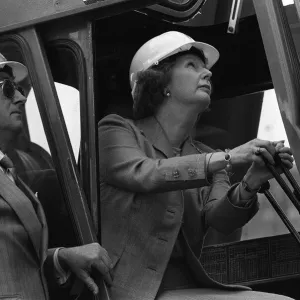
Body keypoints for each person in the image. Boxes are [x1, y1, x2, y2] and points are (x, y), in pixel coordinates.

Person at [98, 31, 295, 300]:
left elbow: (221, 219)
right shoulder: (115, 130)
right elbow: (144, 174)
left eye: (205, 68)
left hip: (184, 286)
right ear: (160, 80)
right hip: (126, 290)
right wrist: (228, 158)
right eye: (192, 65)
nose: (208, 74)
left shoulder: (208, 155)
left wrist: (252, 180)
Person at [0, 53, 112, 299]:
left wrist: (62, 257)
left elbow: (14, 259)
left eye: (18, 88)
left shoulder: (8, 169)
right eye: (8, 89)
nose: (20, 97)